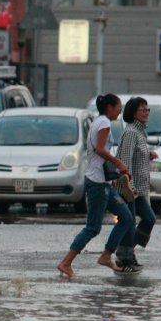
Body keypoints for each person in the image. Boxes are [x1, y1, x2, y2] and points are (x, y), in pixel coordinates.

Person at [56, 94, 136, 278]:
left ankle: (107, 255)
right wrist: (120, 164)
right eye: (118, 107)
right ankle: (66, 262)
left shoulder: (99, 121)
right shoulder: (104, 124)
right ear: (109, 107)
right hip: (96, 183)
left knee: (126, 217)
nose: (120, 110)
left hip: (103, 182)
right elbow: (100, 149)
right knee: (93, 227)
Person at [115, 96, 158, 269]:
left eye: (148, 109)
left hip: (138, 189)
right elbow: (125, 161)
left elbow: (136, 155)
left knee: (148, 219)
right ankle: (124, 257)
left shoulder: (140, 132)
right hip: (129, 188)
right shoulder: (131, 132)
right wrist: (128, 187)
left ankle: (127, 252)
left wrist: (147, 155)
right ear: (133, 113)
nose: (146, 112)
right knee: (130, 222)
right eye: (143, 109)